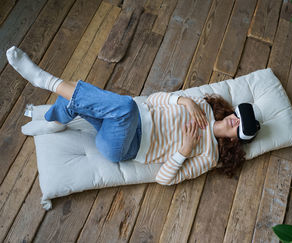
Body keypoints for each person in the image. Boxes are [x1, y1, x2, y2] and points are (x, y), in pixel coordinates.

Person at [6, 46, 260, 185]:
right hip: (127, 118)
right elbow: (152, 100)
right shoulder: (200, 106)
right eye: (240, 114)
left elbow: (164, 179)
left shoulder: (208, 155)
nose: (236, 119)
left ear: (235, 140)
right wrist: (182, 99)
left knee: (125, 106)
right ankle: (55, 120)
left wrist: (184, 149)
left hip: (126, 146)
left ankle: (45, 80)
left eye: (240, 126)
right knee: (85, 97)